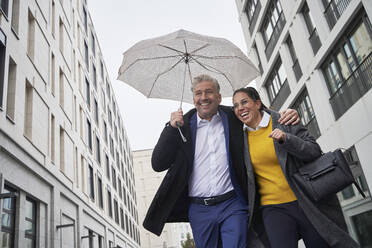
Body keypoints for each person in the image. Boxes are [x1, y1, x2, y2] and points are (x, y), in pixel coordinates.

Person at [143, 74, 299, 248]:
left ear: (218, 96)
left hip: (232, 204)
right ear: (193, 99)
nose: (203, 97)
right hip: (199, 209)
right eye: (198, 93)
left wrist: (285, 114)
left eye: (209, 92)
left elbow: (258, 112)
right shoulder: (181, 125)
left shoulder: (233, 116)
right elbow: (158, 164)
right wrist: (171, 129)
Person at [232, 87, 359, 248]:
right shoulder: (239, 137)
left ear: (257, 103)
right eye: (235, 105)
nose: (240, 108)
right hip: (272, 208)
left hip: (306, 201)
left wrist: (287, 140)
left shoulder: (283, 120)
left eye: (244, 102)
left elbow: (314, 151)